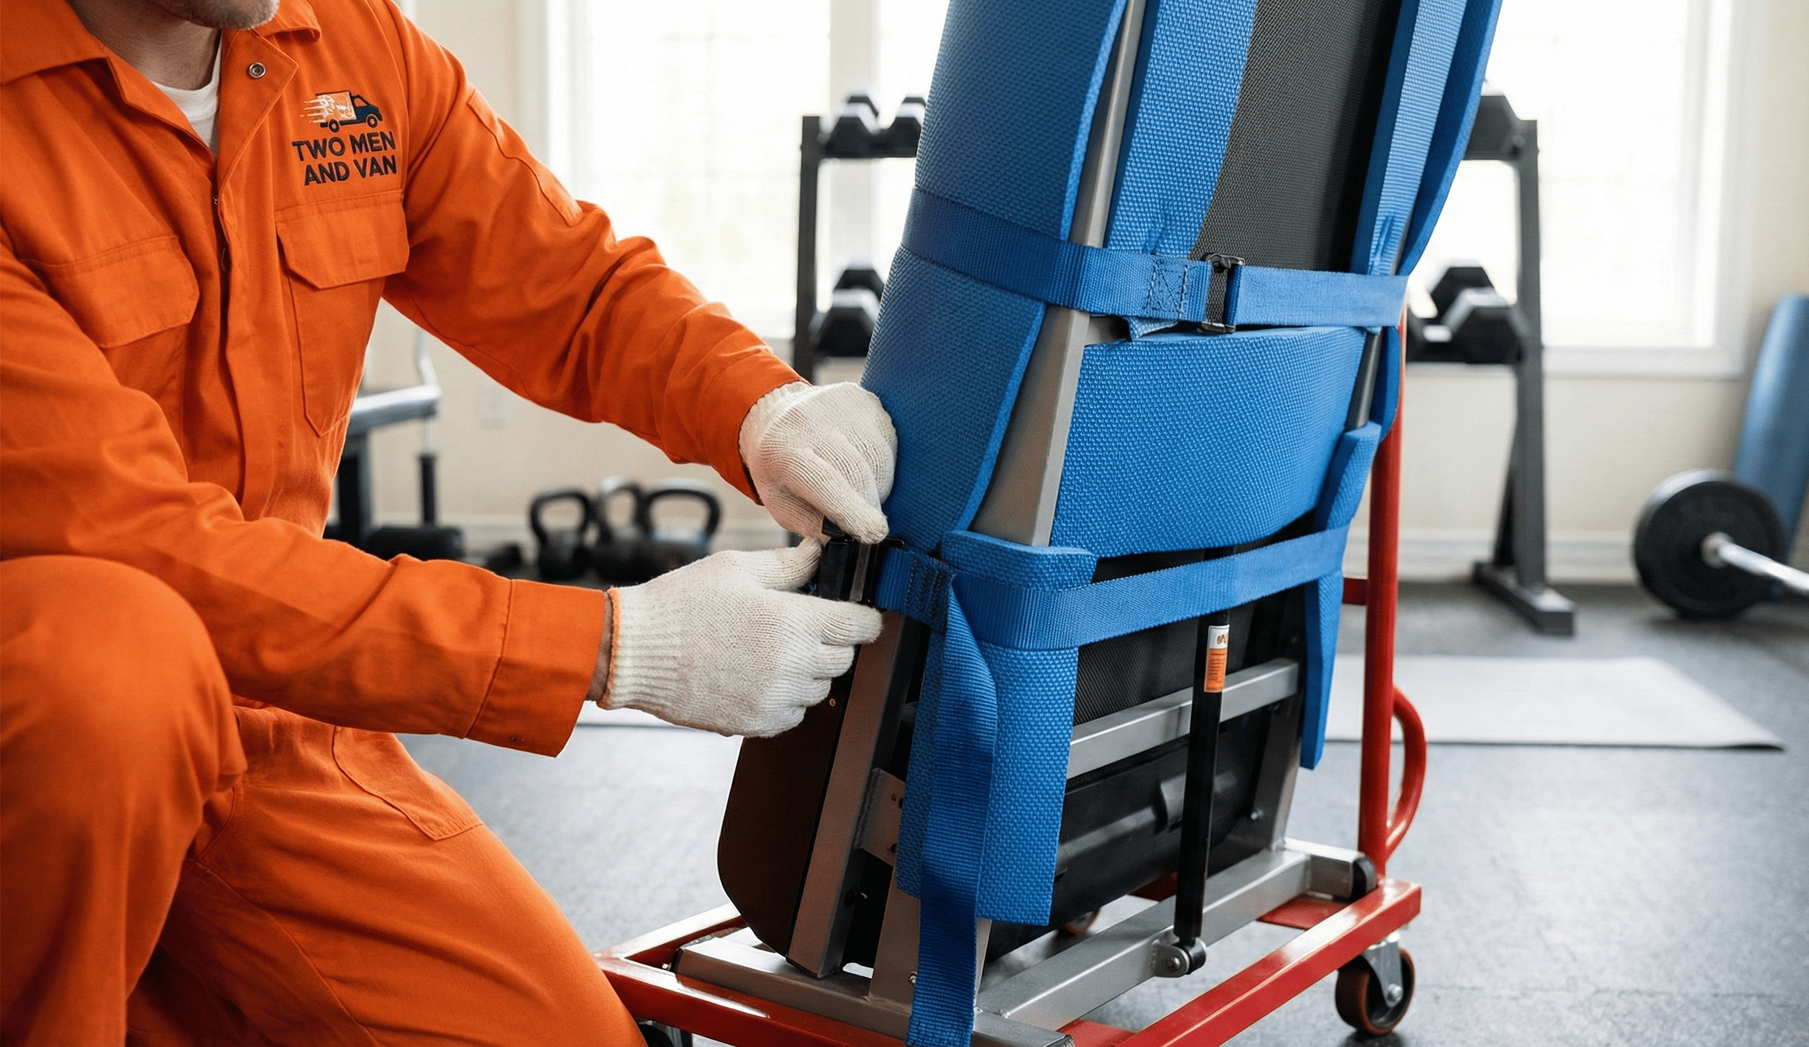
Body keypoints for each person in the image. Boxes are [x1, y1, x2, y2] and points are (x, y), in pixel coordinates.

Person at [0, 0, 898, 1041]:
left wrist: (760, 409)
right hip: (58, 721)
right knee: (111, 659)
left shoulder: (347, 45)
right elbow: (153, 551)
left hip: (269, 707)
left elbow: (567, 284)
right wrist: (614, 648)